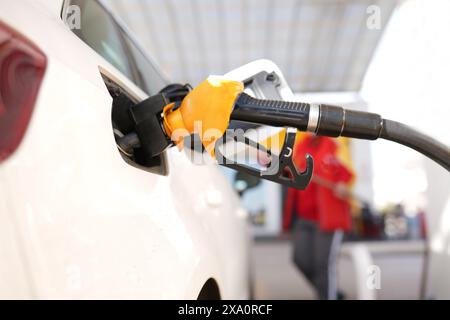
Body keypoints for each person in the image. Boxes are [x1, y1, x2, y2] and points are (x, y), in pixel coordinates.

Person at [283, 134, 354, 300]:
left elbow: (347, 171)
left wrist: (344, 183)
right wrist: (271, 162)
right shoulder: (299, 146)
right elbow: (288, 172)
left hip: (327, 217)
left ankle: (327, 294)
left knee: (323, 265)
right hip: (303, 217)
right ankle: (331, 292)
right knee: (300, 259)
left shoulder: (334, 145)